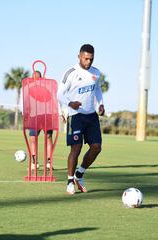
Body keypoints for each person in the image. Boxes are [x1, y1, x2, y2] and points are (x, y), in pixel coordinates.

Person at [57, 44, 105, 195]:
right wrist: (70, 103)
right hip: (75, 115)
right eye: (86, 59)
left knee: (96, 147)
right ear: (79, 56)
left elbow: (97, 89)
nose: (88, 62)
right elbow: (59, 94)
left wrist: (101, 104)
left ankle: (79, 174)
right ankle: (70, 180)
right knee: (76, 149)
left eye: (91, 59)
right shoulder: (70, 73)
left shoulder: (96, 73)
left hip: (91, 115)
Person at [29, 70, 54, 170]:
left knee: (48, 137)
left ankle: (49, 162)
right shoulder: (29, 88)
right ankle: (34, 162)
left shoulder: (47, 88)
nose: (36, 80)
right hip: (34, 117)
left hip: (46, 116)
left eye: (38, 78)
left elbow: (53, 100)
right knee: (32, 138)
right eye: (34, 78)